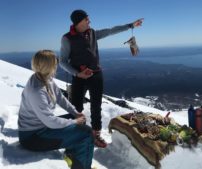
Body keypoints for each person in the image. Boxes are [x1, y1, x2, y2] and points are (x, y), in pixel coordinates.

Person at [59, 9, 143, 148]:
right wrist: (77, 73)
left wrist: (130, 25)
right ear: (79, 22)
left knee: (96, 106)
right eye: (87, 19)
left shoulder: (92, 33)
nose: (89, 21)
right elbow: (62, 61)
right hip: (79, 77)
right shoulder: (67, 38)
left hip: (96, 75)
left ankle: (95, 135)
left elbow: (111, 31)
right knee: (76, 108)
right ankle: (76, 134)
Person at [18, 50, 94, 169]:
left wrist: (75, 113)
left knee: (79, 121)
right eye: (55, 62)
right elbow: (50, 121)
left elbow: (60, 98)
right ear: (48, 66)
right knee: (86, 133)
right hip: (33, 137)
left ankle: (72, 155)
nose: (56, 65)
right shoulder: (37, 90)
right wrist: (74, 122)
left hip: (41, 128)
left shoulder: (44, 78)